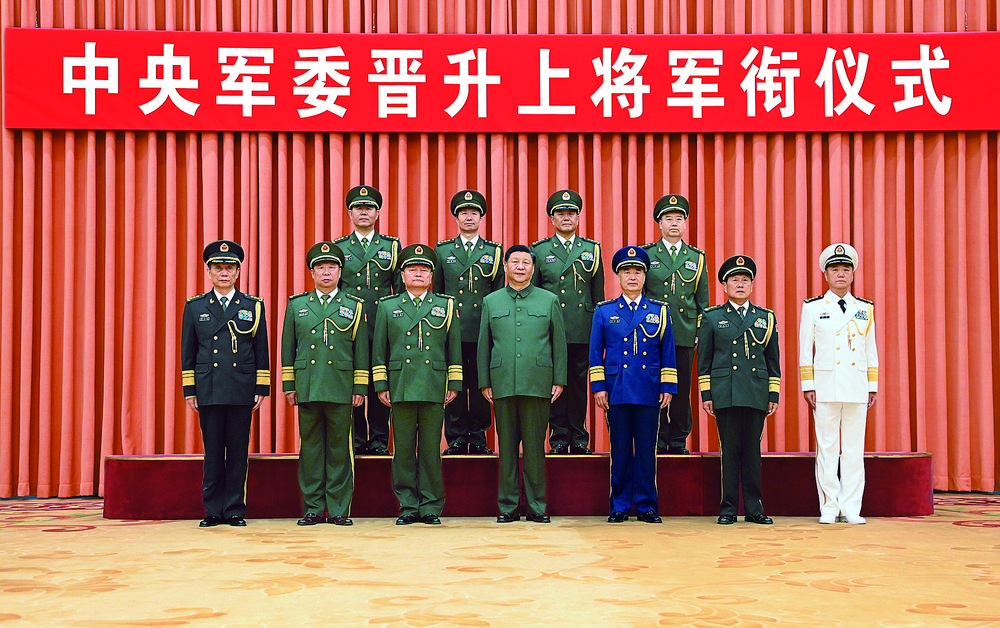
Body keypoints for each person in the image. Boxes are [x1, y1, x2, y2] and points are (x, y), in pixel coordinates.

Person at [181, 240, 269, 528]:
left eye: (229, 268)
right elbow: (188, 351)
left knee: (238, 453)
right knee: (213, 453)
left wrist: (261, 387)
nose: (223, 273)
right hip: (209, 387)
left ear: (238, 272)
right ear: (208, 272)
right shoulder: (195, 306)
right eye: (217, 268)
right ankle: (213, 510)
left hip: (241, 388)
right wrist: (190, 389)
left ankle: (234, 510)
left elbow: (261, 349)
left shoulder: (253, 306)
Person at [372, 244, 462, 525]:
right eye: (413, 269)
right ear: (402, 275)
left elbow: (453, 348)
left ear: (432, 275)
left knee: (430, 450)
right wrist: (381, 384)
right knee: (403, 450)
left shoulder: (445, 305)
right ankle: (408, 505)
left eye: (424, 270)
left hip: (434, 384)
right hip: (400, 385)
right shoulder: (388, 306)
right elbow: (379, 350)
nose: (419, 274)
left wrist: (454, 382)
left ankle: (431, 505)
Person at [281, 242, 368, 527]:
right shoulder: (297, 305)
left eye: (332, 267)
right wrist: (290, 384)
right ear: (312, 272)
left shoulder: (353, 306)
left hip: (341, 386)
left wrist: (359, 387)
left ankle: (339, 508)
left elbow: (361, 350)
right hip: (308, 386)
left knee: (340, 450)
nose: (326, 272)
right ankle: (314, 509)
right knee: (311, 450)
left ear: (340, 272)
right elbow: (288, 348)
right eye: (320, 267)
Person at [479, 245, 567, 523]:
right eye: (514, 262)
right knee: (506, 448)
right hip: (502, 382)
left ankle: (536, 506)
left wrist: (559, 379)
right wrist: (484, 381)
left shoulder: (549, 300)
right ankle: (508, 506)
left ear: (533, 268)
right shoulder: (491, 301)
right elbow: (484, 345)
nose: (520, 267)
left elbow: (559, 344)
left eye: (525, 262)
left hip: (537, 383)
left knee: (534, 448)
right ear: (505, 266)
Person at [590, 247, 677, 524]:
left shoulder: (659, 311)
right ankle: (619, 505)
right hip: (616, 389)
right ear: (618, 276)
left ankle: (647, 505)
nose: (632, 276)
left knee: (647, 451)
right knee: (620, 450)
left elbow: (668, 351)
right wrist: (599, 387)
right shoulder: (605, 311)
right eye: (626, 271)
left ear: (645, 276)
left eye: (637, 271)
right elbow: (596, 352)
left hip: (649, 389)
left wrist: (667, 386)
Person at [697, 255, 780, 526]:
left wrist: (773, 394)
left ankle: (755, 509)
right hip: (726, 392)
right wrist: (707, 394)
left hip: (755, 391)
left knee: (753, 453)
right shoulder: (712, 317)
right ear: (725, 286)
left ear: (752, 285)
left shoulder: (765, 318)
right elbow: (705, 360)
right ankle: (728, 508)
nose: (740, 284)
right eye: (735, 280)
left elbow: (773, 360)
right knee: (730, 452)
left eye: (745, 280)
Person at [799, 243, 878, 525]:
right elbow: (805, 350)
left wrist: (872, 385)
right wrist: (808, 385)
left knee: (854, 451)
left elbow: (871, 348)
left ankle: (851, 507)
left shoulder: (864, 308)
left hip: (856, 385)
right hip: (826, 385)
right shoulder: (813, 307)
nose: (841, 274)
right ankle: (829, 506)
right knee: (827, 450)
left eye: (846, 269)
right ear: (826, 274)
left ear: (853, 274)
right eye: (835, 270)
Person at [531, 190, 604, 454]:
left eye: (571, 213)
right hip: (550, 329)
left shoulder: (591, 249)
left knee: (577, 385)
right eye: (560, 213)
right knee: (554, 384)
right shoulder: (539, 250)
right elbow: (534, 294)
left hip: (581, 328)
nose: (566, 218)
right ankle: (559, 437)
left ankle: (579, 437)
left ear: (578, 217)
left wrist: (599, 330)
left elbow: (598, 295)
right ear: (552, 219)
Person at [434, 190, 504, 455]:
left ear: (481, 217)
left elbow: (498, 295)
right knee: (453, 384)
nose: (469, 217)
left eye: (474, 213)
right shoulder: (443, 250)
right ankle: (455, 439)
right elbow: (438, 293)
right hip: (452, 329)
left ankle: (477, 438)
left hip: (481, 330)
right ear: (456, 218)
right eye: (464, 213)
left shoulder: (493, 251)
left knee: (479, 385)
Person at [334, 185, 400, 456]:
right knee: (353, 383)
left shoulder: (391, 246)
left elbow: (400, 290)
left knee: (380, 383)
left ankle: (380, 441)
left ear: (378, 213)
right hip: (349, 327)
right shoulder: (339, 247)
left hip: (382, 327)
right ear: (350, 213)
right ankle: (357, 439)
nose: (364, 212)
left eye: (369, 208)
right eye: (358, 208)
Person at [643, 194, 709, 454]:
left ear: (685, 223)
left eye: (679, 218)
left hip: (684, 331)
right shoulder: (648, 254)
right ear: (659, 223)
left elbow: (702, 301)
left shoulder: (696, 257)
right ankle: (658, 437)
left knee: (681, 389)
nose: (674, 223)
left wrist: (699, 332)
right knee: (655, 385)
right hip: (653, 332)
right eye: (668, 218)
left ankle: (679, 439)